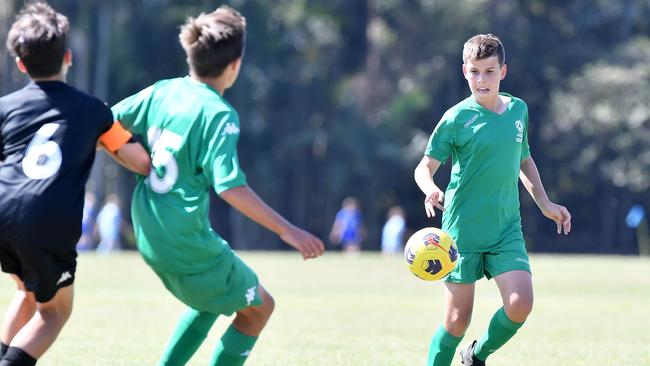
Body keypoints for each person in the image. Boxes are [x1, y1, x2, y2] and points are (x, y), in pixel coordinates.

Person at [111, 6, 324, 365]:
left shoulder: (164, 91)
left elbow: (106, 122)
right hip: (183, 239)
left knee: (211, 302)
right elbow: (230, 187)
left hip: (149, 230)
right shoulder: (218, 114)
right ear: (235, 65)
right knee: (260, 308)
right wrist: (288, 231)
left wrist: (132, 158)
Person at [0, 3, 150, 365]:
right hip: (47, 219)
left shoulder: (4, 107)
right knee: (55, 313)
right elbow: (141, 163)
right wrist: (97, 139)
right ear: (67, 57)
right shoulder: (93, 110)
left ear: (21, 64)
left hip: (4, 212)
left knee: (29, 292)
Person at [413, 34, 571, 366]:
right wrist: (430, 187)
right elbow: (424, 167)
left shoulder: (518, 110)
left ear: (503, 71)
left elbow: (523, 160)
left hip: (505, 228)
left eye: (489, 71)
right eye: (474, 72)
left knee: (520, 303)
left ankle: (476, 355)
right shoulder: (456, 118)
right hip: (462, 231)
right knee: (456, 320)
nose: (481, 79)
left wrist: (544, 203)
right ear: (464, 72)